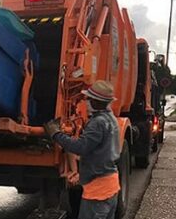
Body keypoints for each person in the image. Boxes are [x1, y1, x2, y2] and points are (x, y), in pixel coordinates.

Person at [44, 80, 120, 219]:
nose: (87, 102)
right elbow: (99, 149)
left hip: (98, 191)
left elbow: (81, 147)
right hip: (110, 185)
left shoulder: (98, 123)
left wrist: (56, 134)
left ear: (97, 102)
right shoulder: (111, 119)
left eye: (89, 99)